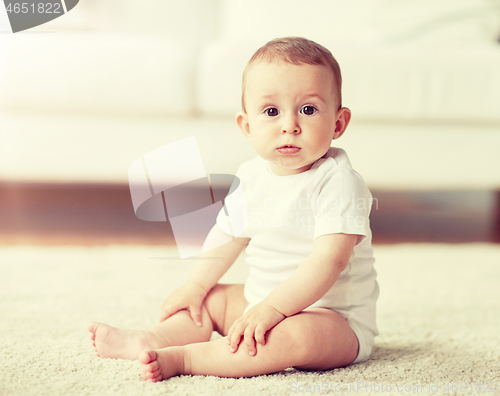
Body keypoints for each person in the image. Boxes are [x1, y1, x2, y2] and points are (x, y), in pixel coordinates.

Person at [88, 36, 379, 382]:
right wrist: (195, 286)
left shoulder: (338, 181)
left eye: (309, 109)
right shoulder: (251, 175)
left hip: (332, 317)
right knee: (210, 301)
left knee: (295, 338)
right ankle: (152, 339)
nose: (289, 125)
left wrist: (273, 310)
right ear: (247, 126)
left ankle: (186, 359)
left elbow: (329, 260)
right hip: (260, 302)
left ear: (338, 124)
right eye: (271, 112)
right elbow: (227, 236)